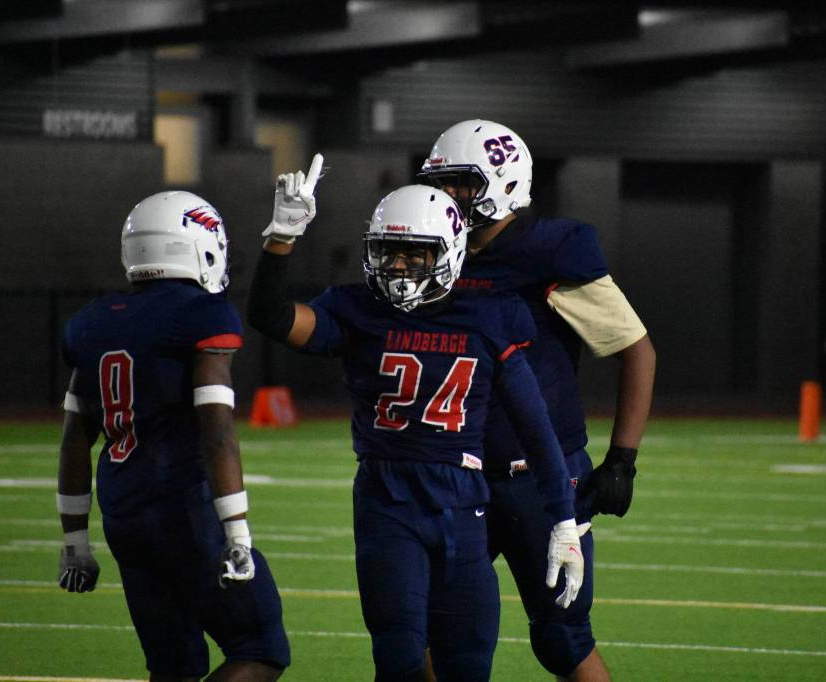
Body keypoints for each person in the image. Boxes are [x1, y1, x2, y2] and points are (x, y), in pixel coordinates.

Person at [247, 160, 588, 682]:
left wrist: (563, 519)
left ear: (449, 252)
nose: (400, 266)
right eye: (389, 252)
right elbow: (271, 317)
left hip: (464, 503)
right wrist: (281, 240)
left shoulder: (489, 314)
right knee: (400, 656)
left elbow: (534, 426)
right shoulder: (356, 309)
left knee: (467, 664)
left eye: (415, 253)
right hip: (388, 502)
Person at [418, 119, 657, 682]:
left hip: (538, 480)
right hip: (458, 476)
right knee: (425, 635)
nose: (447, 196)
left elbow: (636, 349)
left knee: (562, 639)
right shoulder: (434, 250)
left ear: (501, 185)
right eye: (442, 182)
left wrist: (622, 458)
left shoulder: (549, 252)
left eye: (461, 183)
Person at [56, 191, 290, 681]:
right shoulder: (201, 314)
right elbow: (217, 431)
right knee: (260, 649)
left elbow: (76, 437)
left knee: (172, 668)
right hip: (186, 511)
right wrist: (237, 530)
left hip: (124, 515)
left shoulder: (91, 324)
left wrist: (75, 540)